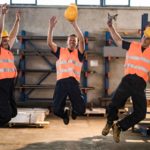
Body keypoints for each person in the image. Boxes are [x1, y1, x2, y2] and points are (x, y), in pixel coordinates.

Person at [102, 15, 150, 143]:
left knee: (141, 114)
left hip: (140, 84)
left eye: (148, 38)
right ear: (142, 36)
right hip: (128, 80)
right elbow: (118, 40)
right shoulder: (132, 46)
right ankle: (109, 122)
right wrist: (110, 27)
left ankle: (118, 126)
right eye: (144, 36)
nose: (145, 39)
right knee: (114, 104)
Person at [47, 16, 86, 125]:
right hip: (61, 83)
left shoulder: (79, 53)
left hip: (74, 83)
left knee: (81, 110)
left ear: (76, 43)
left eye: (74, 40)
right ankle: (65, 114)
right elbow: (50, 43)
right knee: (56, 109)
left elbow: (82, 40)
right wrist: (51, 28)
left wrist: (74, 25)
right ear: (67, 42)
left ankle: (74, 111)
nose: (72, 41)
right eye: (70, 40)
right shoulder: (60, 51)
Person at [0, 3, 20, 126]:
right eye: (3, 39)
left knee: (13, 112)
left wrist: (17, 21)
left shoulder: (8, 50)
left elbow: (13, 35)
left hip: (11, 82)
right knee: (6, 116)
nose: (6, 40)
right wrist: (2, 15)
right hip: (1, 83)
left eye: (6, 39)